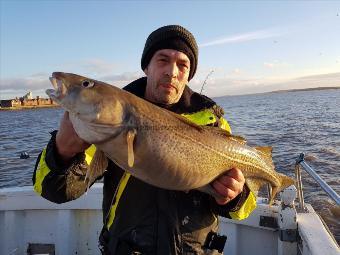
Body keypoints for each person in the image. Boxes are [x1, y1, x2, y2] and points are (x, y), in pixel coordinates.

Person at [33, 25, 256, 255]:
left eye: (182, 64)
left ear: (189, 74)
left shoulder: (213, 124)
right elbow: (56, 192)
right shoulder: (106, 124)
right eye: (162, 60)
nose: (172, 71)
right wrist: (63, 153)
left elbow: (245, 208)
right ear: (146, 67)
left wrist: (234, 197)